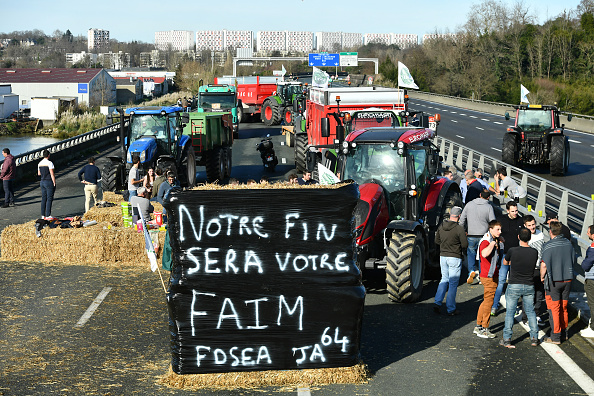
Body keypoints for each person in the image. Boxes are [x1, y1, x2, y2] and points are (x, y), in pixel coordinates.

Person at [500, 228, 541, 348]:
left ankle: (507, 339)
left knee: (510, 312)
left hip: (514, 284)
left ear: (518, 237)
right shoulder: (534, 252)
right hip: (529, 284)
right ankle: (534, 338)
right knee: (530, 311)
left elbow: (505, 262)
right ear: (530, 238)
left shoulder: (513, 250)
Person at [541, 221, 576, 344]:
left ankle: (555, 335)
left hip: (554, 280)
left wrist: (542, 277)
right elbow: (573, 260)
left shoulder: (548, 246)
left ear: (550, 231)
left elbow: (544, 265)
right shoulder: (568, 244)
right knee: (564, 307)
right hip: (567, 279)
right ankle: (564, 333)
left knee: (554, 308)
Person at [433, 206, 468, 315]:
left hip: (443, 256)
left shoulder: (441, 226)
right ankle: (451, 308)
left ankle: (437, 302)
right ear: (459, 216)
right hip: (455, 256)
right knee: (453, 284)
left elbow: (437, 240)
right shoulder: (459, 229)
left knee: (444, 279)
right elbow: (464, 244)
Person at [491, 201, 523, 315]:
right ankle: (494, 306)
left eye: (516, 210)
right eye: (513, 211)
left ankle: (512, 308)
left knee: (513, 283)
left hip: (516, 256)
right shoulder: (502, 220)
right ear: (508, 210)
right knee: (501, 281)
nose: (515, 213)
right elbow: (495, 233)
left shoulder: (520, 221)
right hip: (504, 254)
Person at [474, 220, 504, 339]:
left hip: (490, 274)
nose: (500, 232)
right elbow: (484, 253)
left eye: (500, 229)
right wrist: (492, 245)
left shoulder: (492, 238)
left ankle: (479, 326)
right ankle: (484, 328)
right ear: (490, 229)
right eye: (497, 229)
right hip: (488, 276)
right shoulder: (486, 241)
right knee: (488, 302)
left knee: (486, 301)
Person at [460, 190, 496, 283]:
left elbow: (462, 220)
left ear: (480, 195)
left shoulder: (469, 204)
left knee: (471, 253)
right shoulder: (488, 207)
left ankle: (471, 270)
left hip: (471, 234)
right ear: (488, 197)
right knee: (482, 256)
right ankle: (481, 275)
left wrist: (463, 231)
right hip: (483, 236)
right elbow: (493, 222)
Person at [521, 214, 546, 325]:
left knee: (539, 293)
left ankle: (537, 314)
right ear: (525, 226)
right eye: (529, 225)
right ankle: (526, 317)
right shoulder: (524, 236)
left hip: (539, 267)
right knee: (528, 294)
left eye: (533, 224)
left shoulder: (541, 234)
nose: (532, 227)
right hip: (528, 269)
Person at [580, 225, 594, 338]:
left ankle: (593, 328)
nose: (587, 234)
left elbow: (586, 264)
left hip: (592, 279)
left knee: (592, 303)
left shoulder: (593, 248)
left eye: (588, 232)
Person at [38, 149, 56, 219]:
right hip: (48, 181)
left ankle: (43, 215)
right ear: (48, 155)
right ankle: (48, 214)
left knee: (43, 198)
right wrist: (54, 182)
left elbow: (39, 174)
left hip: (42, 181)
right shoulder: (50, 163)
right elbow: (52, 173)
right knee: (49, 198)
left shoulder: (39, 163)